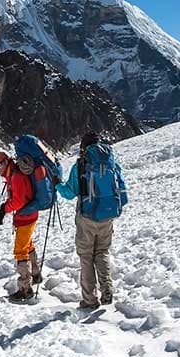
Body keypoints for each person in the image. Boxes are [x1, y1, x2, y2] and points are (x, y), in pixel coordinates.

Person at [57, 132, 129, 310]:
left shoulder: (81, 165)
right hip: (108, 215)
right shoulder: (112, 163)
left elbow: (69, 193)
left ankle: (89, 300)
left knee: (86, 257)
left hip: (87, 217)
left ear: (84, 147)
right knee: (102, 252)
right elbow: (122, 193)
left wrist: (56, 183)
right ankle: (107, 288)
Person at [0, 150, 44, 302]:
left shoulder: (16, 177)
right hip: (29, 215)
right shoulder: (14, 174)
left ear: (5, 162)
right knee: (27, 244)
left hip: (25, 217)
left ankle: (25, 289)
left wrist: (3, 209)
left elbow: (19, 201)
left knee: (20, 251)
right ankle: (35, 273)